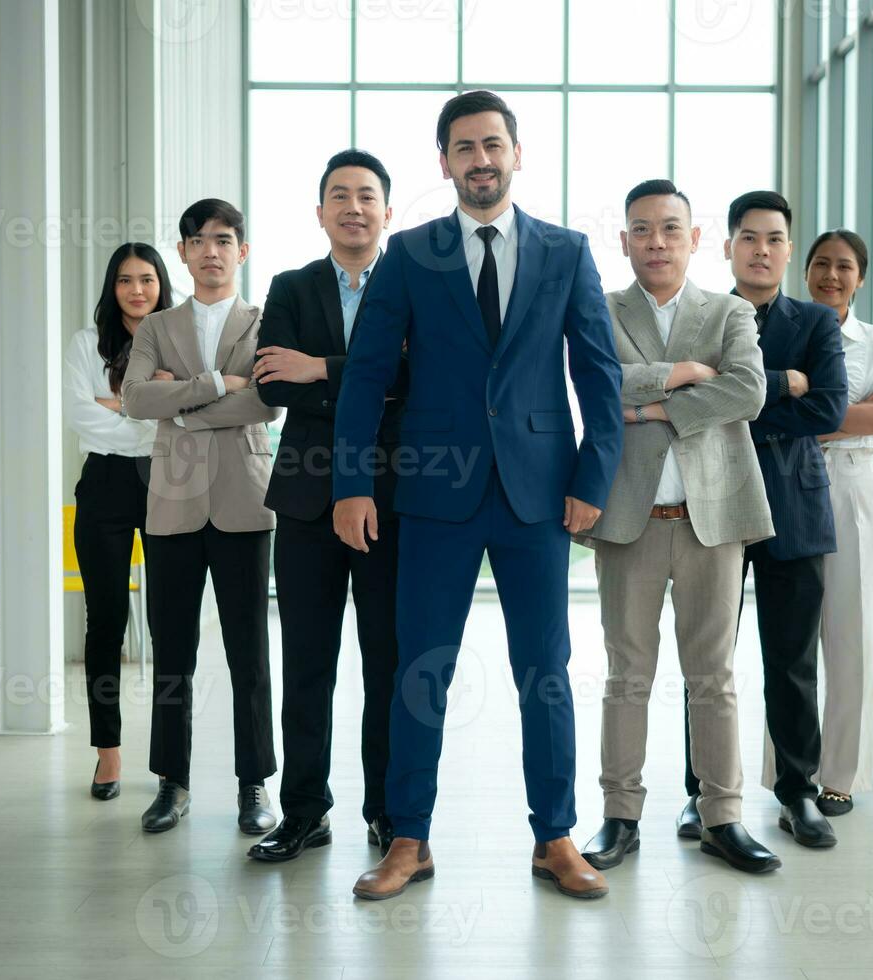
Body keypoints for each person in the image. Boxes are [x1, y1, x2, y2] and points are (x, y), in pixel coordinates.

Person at [331, 90, 623, 901]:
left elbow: (596, 373)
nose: (481, 159)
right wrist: (352, 483)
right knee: (420, 670)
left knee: (548, 674)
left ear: (517, 154)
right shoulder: (410, 254)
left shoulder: (565, 252)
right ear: (445, 162)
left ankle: (556, 837)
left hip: (540, 495)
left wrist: (593, 478)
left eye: (493, 144)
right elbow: (366, 376)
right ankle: (409, 840)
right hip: (433, 494)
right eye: (465, 147)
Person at [575, 180, 778, 875]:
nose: (655, 242)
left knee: (713, 676)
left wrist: (654, 406)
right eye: (641, 230)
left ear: (694, 239)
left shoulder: (728, 313)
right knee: (627, 675)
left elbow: (748, 390)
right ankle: (620, 815)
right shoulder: (602, 309)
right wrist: (686, 375)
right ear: (625, 239)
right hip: (629, 520)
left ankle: (724, 817)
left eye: (669, 229)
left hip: (712, 520)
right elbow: (598, 384)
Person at [246, 149, 408, 863]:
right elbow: (272, 386)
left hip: (393, 496)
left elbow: (420, 376)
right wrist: (359, 380)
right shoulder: (290, 286)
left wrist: (319, 368)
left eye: (366, 195)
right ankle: (305, 811)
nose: (353, 206)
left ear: (386, 212)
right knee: (307, 664)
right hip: (309, 500)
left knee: (389, 665)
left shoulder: (412, 286)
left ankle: (387, 811)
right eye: (339, 195)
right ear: (319, 212)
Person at [678, 191, 847, 849]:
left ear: (787, 250)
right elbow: (688, 395)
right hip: (714, 504)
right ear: (727, 246)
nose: (762, 250)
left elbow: (829, 409)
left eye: (775, 239)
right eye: (749, 238)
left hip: (794, 508)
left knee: (793, 661)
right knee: (707, 662)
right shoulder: (700, 319)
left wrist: (738, 392)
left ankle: (798, 793)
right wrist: (782, 384)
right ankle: (701, 796)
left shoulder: (815, 322)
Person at [120, 199, 281, 836]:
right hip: (174, 505)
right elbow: (135, 397)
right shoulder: (156, 328)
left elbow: (268, 402)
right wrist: (219, 385)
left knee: (250, 651)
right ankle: (171, 782)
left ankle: (254, 785)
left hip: (245, 501)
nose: (210, 251)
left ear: (242, 251)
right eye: (197, 241)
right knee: (172, 652)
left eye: (223, 240)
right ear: (182, 253)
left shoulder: (265, 320)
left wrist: (181, 403)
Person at [759, 230, 873, 816]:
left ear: (861, 277)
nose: (831, 275)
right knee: (790, 642)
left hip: (854, 485)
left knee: (852, 632)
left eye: (845, 267)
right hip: (789, 480)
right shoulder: (786, 330)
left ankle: (839, 774)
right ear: (803, 268)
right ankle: (787, 771)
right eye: (821, 264)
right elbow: (764, 403)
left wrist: (816, 408)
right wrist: (833, 410)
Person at [65, 242, 173, 801]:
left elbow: (186, 412)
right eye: (126, 280)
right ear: (113, 287)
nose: (137, 290)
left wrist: (119, 405)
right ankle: (108, 754)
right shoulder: (87, 345)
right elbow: (78, 413)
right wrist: (149, 405)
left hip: (167, 481)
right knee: (105, 622)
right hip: (104, 486)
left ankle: (167, 764)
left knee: (167, 625)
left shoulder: (178, 339)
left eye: (147, 279)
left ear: (161, 284)